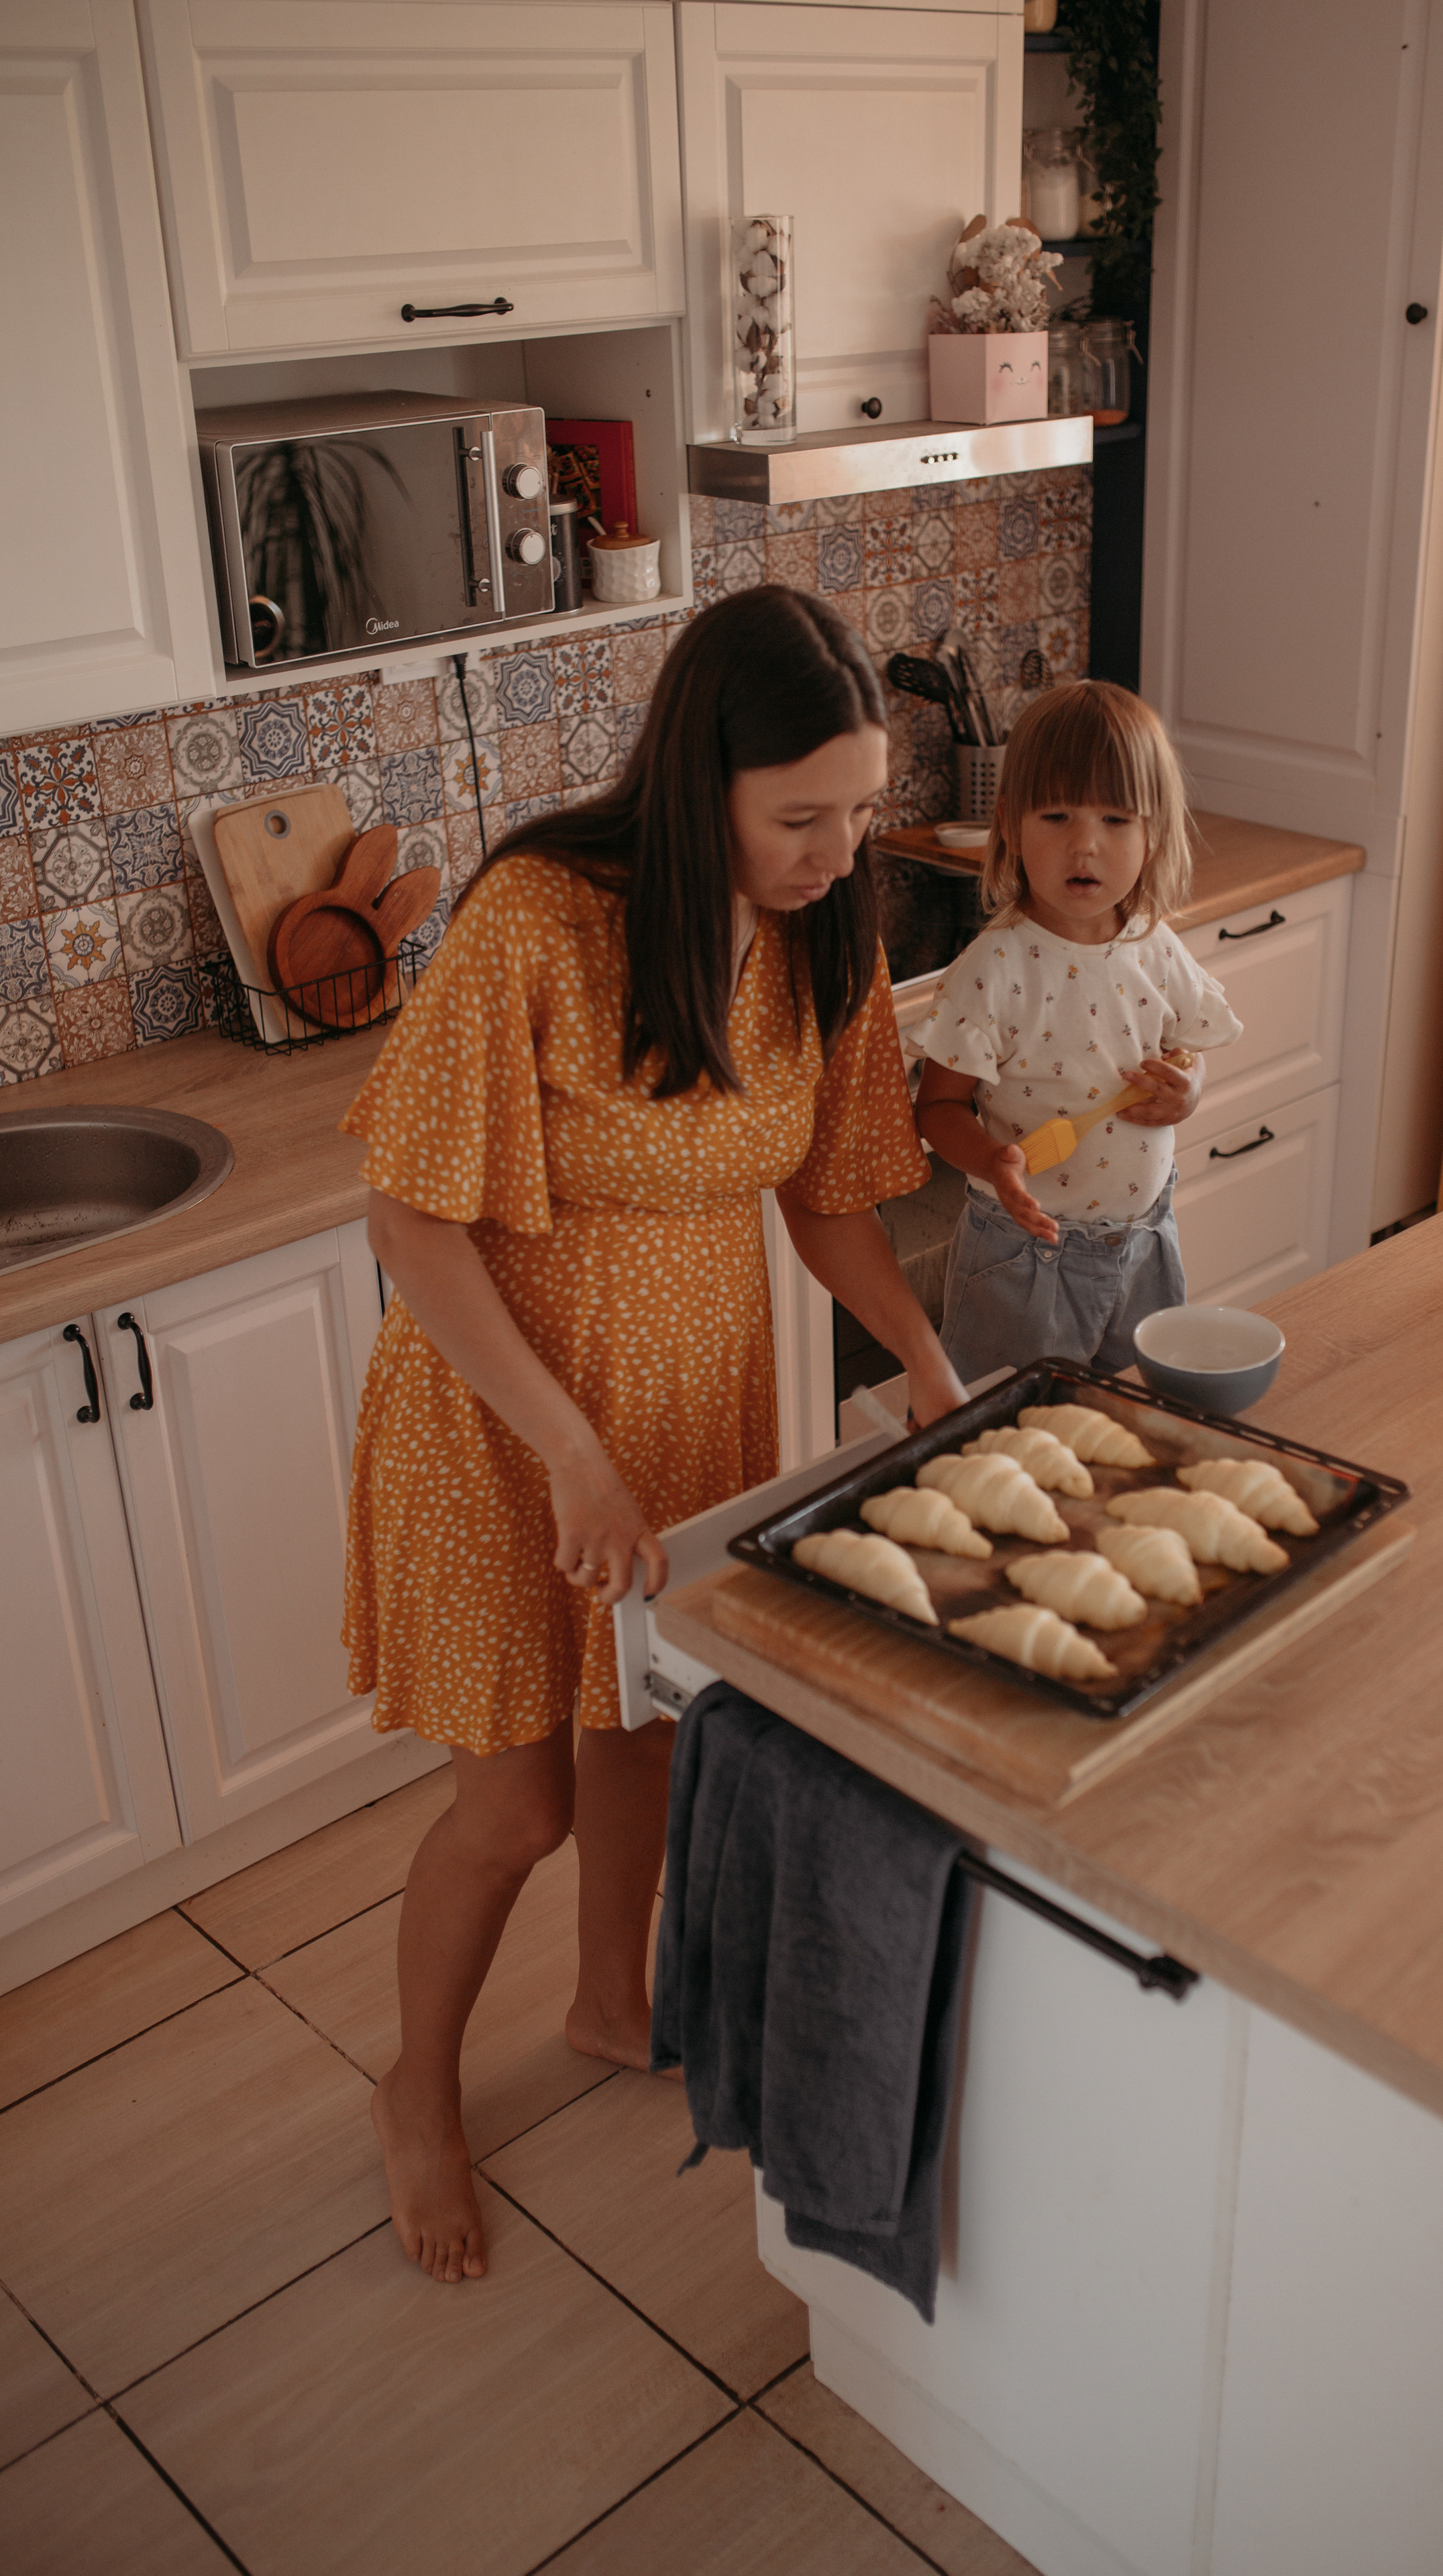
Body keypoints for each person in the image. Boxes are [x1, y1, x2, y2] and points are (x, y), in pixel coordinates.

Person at [339, 587, 966, 2286]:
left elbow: (832, 1196)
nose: (839, 848)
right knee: (516, 1802)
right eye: (799, 817)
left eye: (856, 808)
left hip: (688, 1405)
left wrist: (918, 1355)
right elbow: (409, 1221)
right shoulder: (540, 922)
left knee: (651, 1736)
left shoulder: (830, 933)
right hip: (501, 1419)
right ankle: (416, 2087)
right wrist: (566, 1449)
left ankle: (616, 2003)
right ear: (702, 787)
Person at [912, 680, 1242, 1383]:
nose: (1084, 845)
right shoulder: (994, 969)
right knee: (1010, 1434)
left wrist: (1186, 1095)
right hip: (1027, 1258)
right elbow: (937, 1108)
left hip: (1146, 1242)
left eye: (1117, 820)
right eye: (1056, 815)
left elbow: (1187, 1053)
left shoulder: (1155, 947)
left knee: (1134, 1415)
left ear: (1153, 834)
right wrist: (990, 1160)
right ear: (1009, 824)